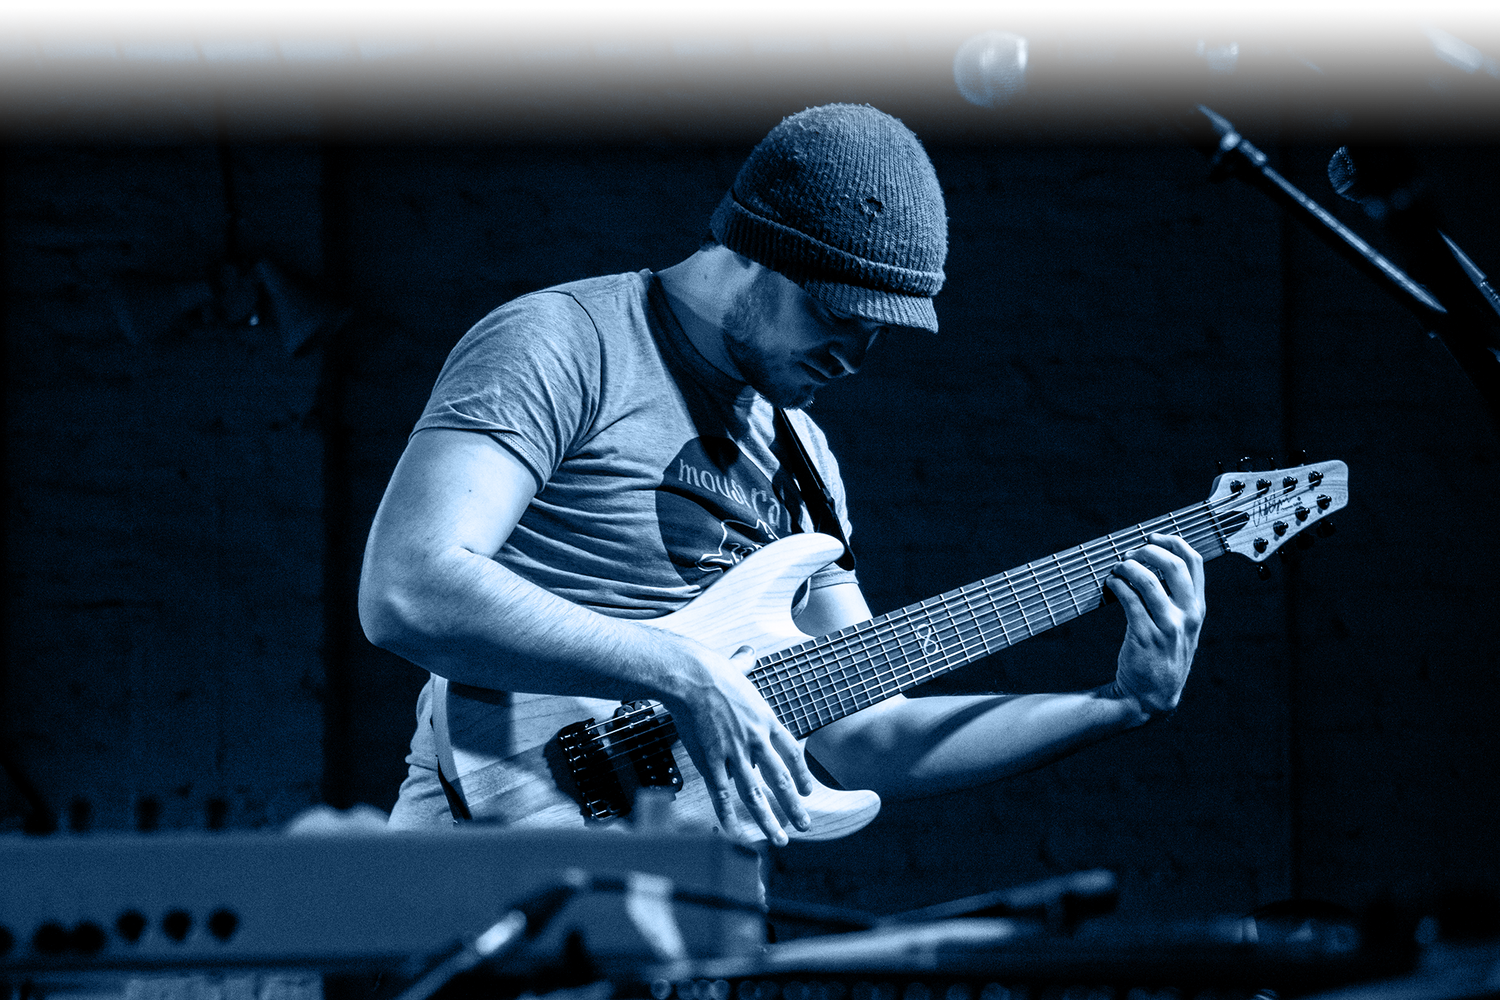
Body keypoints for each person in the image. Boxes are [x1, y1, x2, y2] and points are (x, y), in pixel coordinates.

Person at [359, 104, 1206, 845]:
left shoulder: (806, 460)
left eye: (881, 331)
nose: (856, 356)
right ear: (755, 251)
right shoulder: (565, 343)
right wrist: (684, 675)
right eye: (837, 314)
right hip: (489, 851)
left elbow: (869, 737)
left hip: (695, 900)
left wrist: (1116, 704)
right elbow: (408, 587)